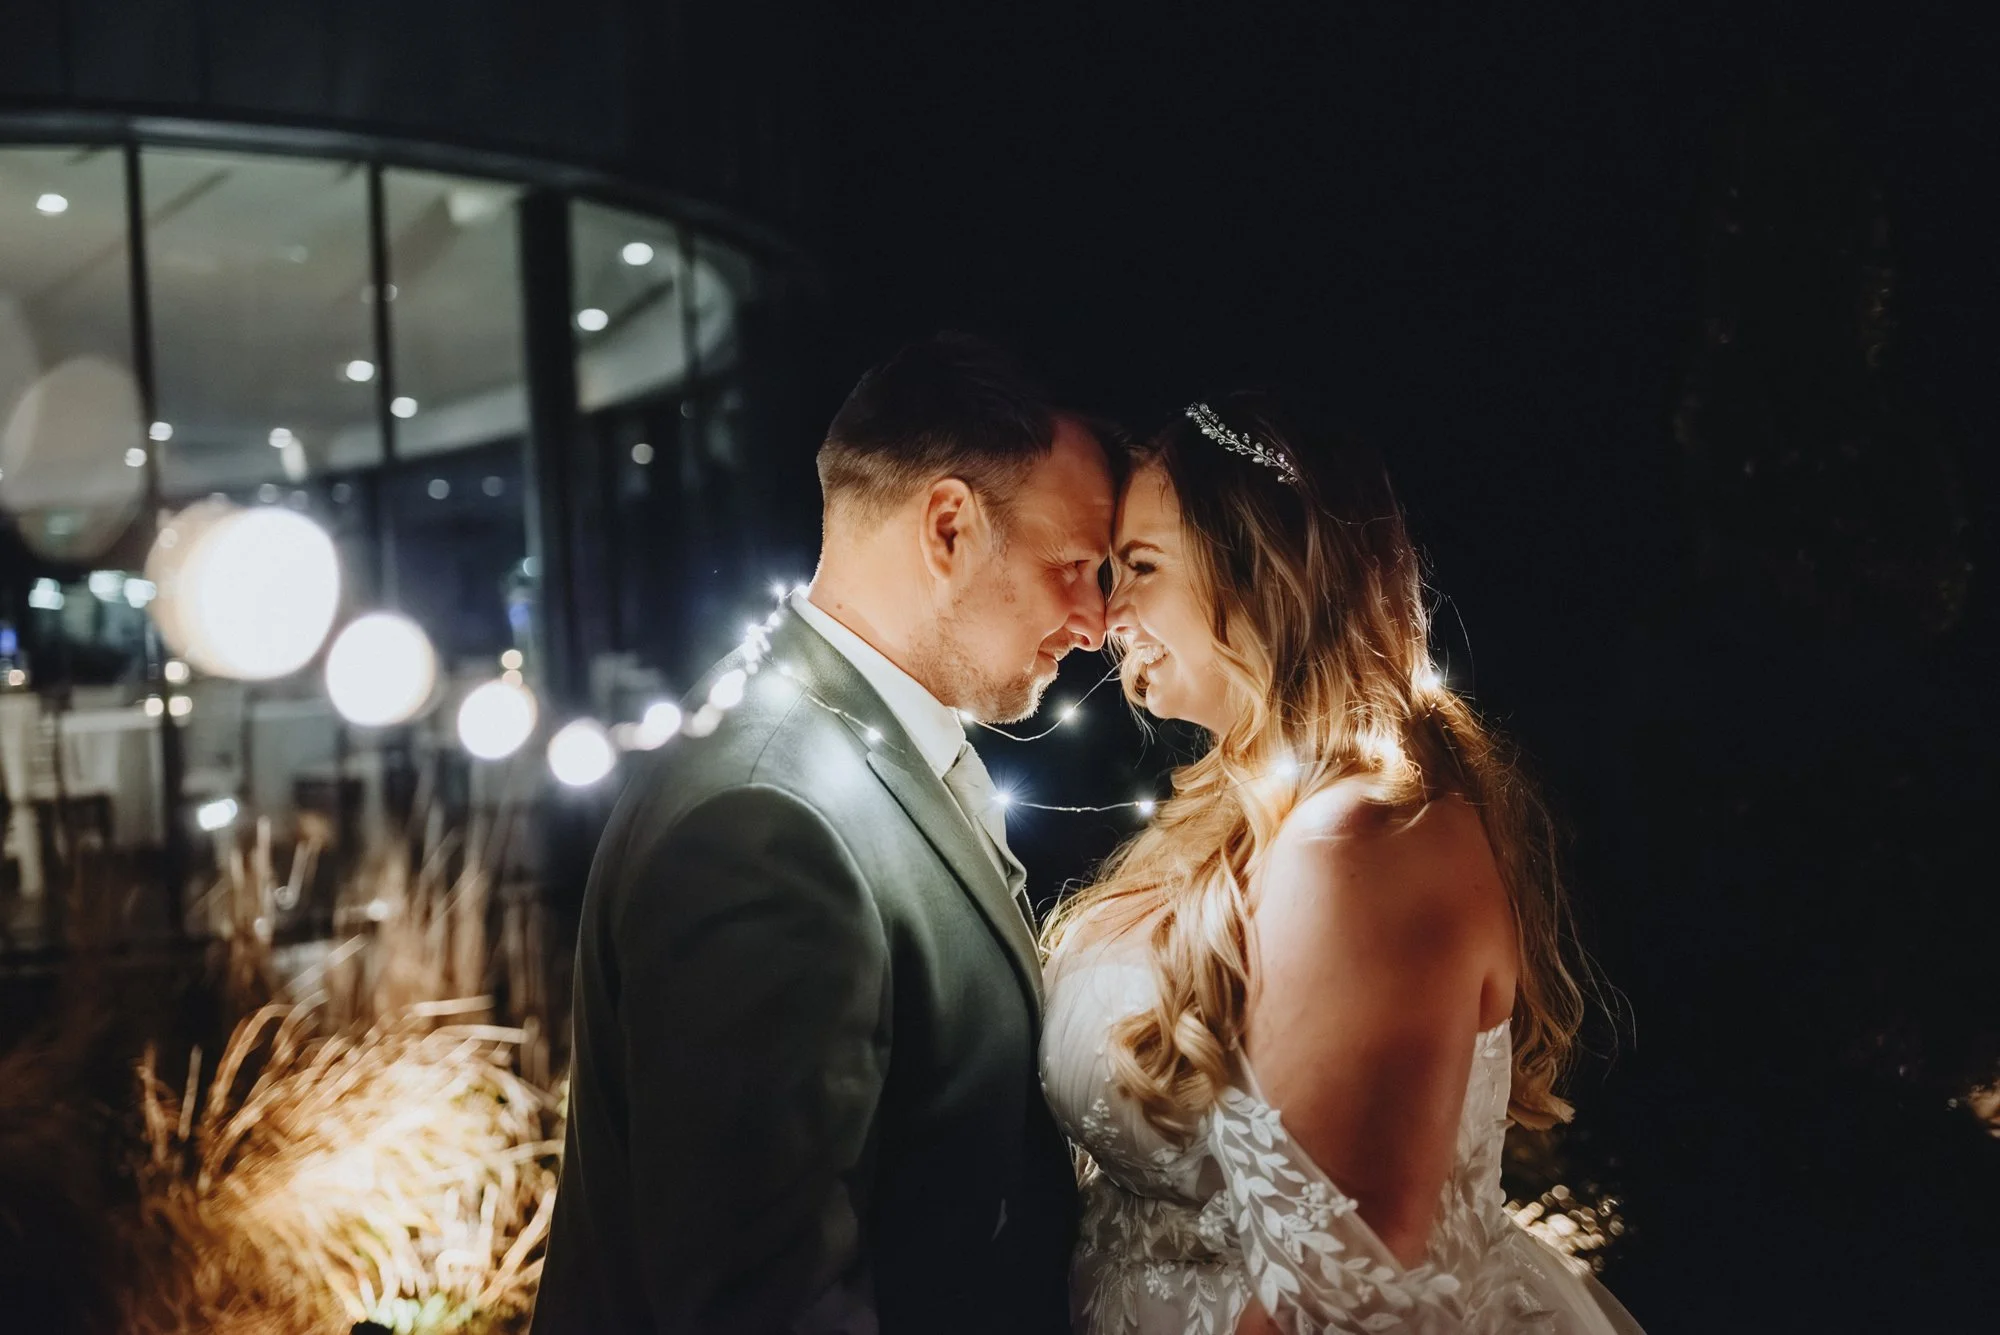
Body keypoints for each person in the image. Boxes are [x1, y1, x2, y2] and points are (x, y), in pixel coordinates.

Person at [532, 334, 1115, 1333]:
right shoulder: (765, 822)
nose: (1093, 620)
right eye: (1072, 565)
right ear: (946, 528)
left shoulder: (857, 750)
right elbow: (760, 1301)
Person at [1039, 395, 1644, 1333]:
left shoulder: (1363, 845)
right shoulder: (1224, 812)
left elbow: (1330, 1295)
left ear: (1260, 569)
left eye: (1141, 567)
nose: (1109, 612)